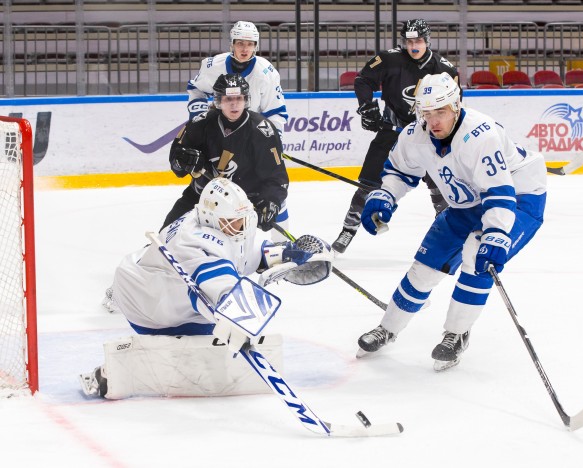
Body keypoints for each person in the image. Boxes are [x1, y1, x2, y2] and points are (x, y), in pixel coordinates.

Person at [356, 73, 547, 371]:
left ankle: (456, 334)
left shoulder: (480, 135)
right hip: (466, 202)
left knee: (476, 253)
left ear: (456, 106)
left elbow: (498, 193)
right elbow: (399, 172)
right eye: (427, 113)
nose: (433, 121)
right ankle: (388, 328)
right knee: (424, 268)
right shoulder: (414, 135)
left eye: (441, 112)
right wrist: (385, 195)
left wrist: (496, 234)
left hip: (519, 196)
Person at [83, 178, 333, 399]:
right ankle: (112, 372)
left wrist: (287, 254)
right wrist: (235, 315)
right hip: (145, 300)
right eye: (232, 223)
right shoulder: (196, 241)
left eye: (242, 221)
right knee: (204, 341)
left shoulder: (218, 221)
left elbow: (244, 254)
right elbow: (220, 283)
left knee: (213, 328)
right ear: (212, 220)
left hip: (149, 274)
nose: (241, 228)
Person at [331, 19, 460, 254]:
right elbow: (363, 81)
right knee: (368, 185)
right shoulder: (390, 59)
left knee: (441, 189)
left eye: (418, 41)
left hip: (428, 136)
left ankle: (449, 238)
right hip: (392, 132)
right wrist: (367, 107)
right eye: (409, 41)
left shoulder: (444, 69)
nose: (413, 46)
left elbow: (456, 105)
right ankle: (348, 230)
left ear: (427, 41)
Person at [162, 73, 289, 238]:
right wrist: (182, 162)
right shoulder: (200, 124)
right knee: (163, 240)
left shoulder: (262, 131)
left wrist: (270, 202)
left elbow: (277, 179)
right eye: (228, 99)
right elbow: (176, 164)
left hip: (241, 206)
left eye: (239, 98)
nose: (234, 103)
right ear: (219, 101)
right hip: (201, 199)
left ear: (246, 100)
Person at [186, 21, 288, 135]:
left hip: (250, 132)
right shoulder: (214, 66)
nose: (245, 49)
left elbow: (275, 112)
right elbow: (197, 89)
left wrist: (272, 140)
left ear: (256, 46)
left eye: (250, 44)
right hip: (217, 130)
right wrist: (199, 120)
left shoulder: (267, 73)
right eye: (240, 43)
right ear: (232, 44)